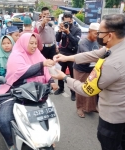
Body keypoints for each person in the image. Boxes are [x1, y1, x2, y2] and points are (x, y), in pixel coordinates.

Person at [52, 14, 125, 150]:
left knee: (110, 144)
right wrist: (67, 58)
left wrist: (65, 78)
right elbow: (93, 54)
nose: (97, 36)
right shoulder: (117, 45)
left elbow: (86, 89)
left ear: (110, 35)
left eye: (100, 33)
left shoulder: (113, 64)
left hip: (113, 119)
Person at [0, 33, 58, 150]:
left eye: (36, 43)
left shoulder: (38, 54)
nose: (34, 46)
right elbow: (21, 72)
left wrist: (51, 81)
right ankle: (12, 144)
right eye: (31, 43)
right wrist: (41, 64)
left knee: (50, 116)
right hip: (14, 92)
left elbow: (46, 71)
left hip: (36, 92)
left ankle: (50, 137)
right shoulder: (16, 55)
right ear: (24, 43)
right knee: (3, 120)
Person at [73, 23, 100, 117]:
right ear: (89, 31)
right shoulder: (83, 42)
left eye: (98, 33)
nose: (97, 35)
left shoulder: (96, 41)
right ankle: (79, 108)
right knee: (81, 89)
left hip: (92, 69)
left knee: (92, 88)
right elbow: (88, 56)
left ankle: (91, 107)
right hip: (81, 69)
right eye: (95, 33)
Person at [54, 13, 81, 101]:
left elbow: (76, 42)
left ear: (72, 20)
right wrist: (59, 31)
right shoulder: (62, 28)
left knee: (72, 75)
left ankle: (73, 92)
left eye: (69, 22)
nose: (67, 24)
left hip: (72, 55)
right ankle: (61, 88)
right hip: (62, 53)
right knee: (60, 72)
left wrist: (68, 33)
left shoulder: (77, 30)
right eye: (66, 22)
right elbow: (57, 40)